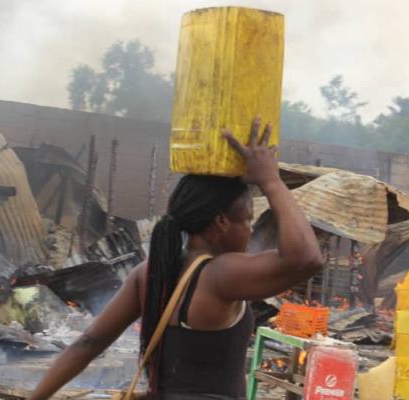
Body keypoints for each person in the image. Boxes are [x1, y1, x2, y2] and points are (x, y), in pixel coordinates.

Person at [29, 117, 324, 400]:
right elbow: (307, 258)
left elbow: (88, 343)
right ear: (221, 222)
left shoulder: (148, 273)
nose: (250, 230)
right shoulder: (221, 275)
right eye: (247, 219)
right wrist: (270, 181)